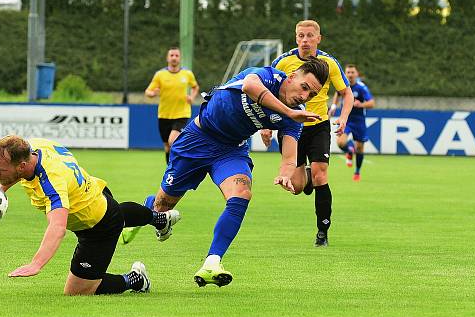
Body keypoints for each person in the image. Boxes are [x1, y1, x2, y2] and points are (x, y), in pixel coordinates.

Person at [137, 57, 328, 288]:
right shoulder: (268, 76)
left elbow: (289, 156)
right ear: (292, 77)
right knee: (162, 205)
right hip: (197, 140)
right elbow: (250, 86)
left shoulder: (295, 116)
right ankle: (150, 209)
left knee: (242, 193)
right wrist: (288, 111)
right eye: (304, 88)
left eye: (311, 95)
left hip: (231, 151)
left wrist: (285, 174)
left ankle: (212, 262)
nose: (304, 97)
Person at [0, 135, 181, 295]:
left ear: (22, 166)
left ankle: (136, 279)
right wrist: (1, 188)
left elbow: (57, 227)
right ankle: (159, 219)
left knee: (78, 290)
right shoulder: (34, 147)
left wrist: (36, 264)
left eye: (0, 170)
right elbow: (17, 167)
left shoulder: (52, 182)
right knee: (119, 212)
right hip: (96, 192)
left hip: (98, 228)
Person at [261, 20, 354, 248]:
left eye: (309, 36)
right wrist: (265, 124)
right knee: (297, 187)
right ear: (296, 38)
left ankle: (322, 232)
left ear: (318, 38)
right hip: (291, 126)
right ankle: (308, 176)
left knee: (322, 176)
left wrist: (343, 117)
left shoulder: (329, 63)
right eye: (301, 35)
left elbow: (346, 93)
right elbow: (267, 92)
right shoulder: (283, 61)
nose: (305, 40)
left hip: (318, 126)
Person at [145, 47, 200, 164]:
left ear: (180, 58)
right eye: (172, 55)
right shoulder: (160, 75)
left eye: (176, 55)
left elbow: (195, 87)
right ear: (167, 58)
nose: (174, 58)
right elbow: (148, 92)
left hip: (182, 113)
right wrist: (153, 93)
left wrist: (192, 97)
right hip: (164, 114)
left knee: (172, 141)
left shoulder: (187, 74)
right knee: (167, 146)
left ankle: (182, 165)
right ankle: (170, 170)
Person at [329, 64, 375, 182]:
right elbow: (337, 93)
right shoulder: (343, 84)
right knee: (340, 142)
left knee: (360, 148)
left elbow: (371, 103)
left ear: (357, 74)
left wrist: (361, 104)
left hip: (359, 121)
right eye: (348, 72)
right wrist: (334, 106)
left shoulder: (361, 88)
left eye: (352, 72)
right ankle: (349, 151)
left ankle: (357, 171)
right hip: (347, 119)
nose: (350, 74)